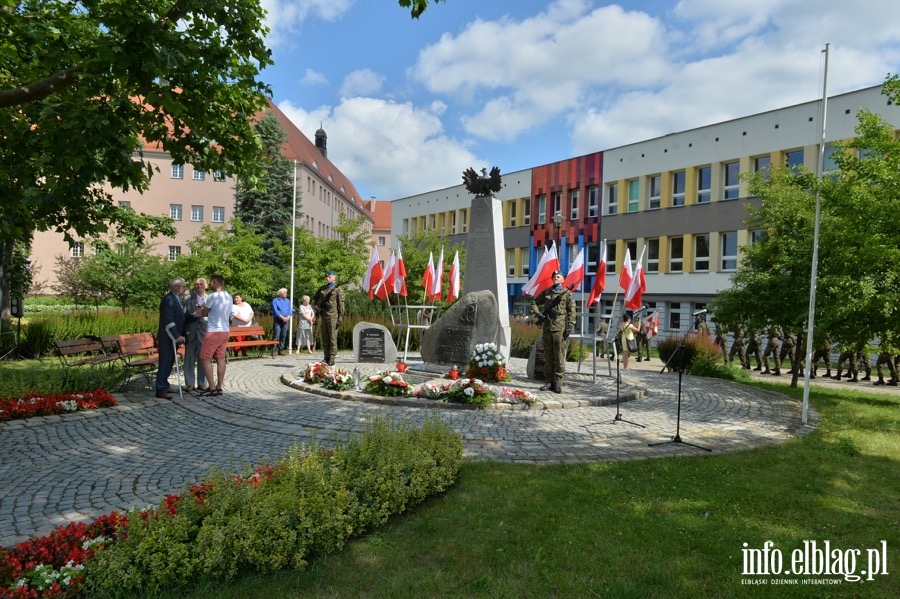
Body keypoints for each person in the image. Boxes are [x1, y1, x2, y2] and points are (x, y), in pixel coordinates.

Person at [530, 270, 576, 392]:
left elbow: (572, 312)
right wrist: (539, 315)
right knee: (548, 356)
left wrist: (569, 327)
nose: (555, 278)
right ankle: (549, 381)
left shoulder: (567, 294)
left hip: (559, 329)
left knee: (559, 356)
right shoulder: (546, 292)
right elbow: (534, 302)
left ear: (563, 280)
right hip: (547, 328)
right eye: (554, 276)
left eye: (558, 276)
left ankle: (558, 383)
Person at [198, 274, 232, 396]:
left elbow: (205, 313)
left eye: (211, 282)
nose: (209, 284)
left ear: (216, 282)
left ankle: (211, 387)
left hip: (213, 331)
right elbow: (219, 310)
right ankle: (219, 387)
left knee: (204, 358)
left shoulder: (213, 296)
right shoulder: (228, 296)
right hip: (225, 330)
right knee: (220, 358)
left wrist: (197, 312)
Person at [155, 277, 187, 399]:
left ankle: (165, 385)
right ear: (175, 287)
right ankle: (160, 389)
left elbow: (179, 317)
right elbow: (168, 320)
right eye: (183, 286)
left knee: (170, 362)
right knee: (165, 362)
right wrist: (177, 335)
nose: (185, 289)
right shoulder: (168, 299)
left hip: (172, 337)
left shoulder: (177, 299)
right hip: (167, 336)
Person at [181, 278, 208, 392]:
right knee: (189, 358)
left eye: (201, 284)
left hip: (204, 332)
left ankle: (202, 383)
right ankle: (189, 383)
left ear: (206, 286)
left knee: (203, 358)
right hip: (191, 331)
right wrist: (193, 315)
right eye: (196, 284)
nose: (199, 286)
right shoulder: (187, 298)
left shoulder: (210, 299)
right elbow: (183, 316)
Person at [313, 270, 345, 366]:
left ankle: (332, 357)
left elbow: (341, 306)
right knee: (325, 337)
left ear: (334, 277)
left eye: (330, 277)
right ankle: (326, 356)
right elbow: (316, 298)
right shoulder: (322, 288)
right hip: (324, 315)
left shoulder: (338, 289)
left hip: (333, 316)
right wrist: (317, 308)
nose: (327, 278)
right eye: (327, 277)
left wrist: (340, 318)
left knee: (332, 337)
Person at [230, 293, 254, 358]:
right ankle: (236, 353)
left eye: (237, 298)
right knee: (238, 340)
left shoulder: (246, 304)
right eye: (235, 298)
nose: (236, 299)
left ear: (241, 298)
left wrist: (249, 319)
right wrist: (244, 320)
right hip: (238, 327)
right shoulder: (233, 306)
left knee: (245, 340)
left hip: (247, 327)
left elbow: (251, 313)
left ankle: (244, 353)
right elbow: (235, 315)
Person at [271, 288, 292, 356]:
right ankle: (273, 350)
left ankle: (281, 350)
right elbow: (275, 310)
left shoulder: (287, 301)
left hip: (285, 320)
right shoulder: (275, 300)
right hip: (278, 320)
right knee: (276, 335)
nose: (286, 293)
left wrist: (288, 317)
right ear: (280, 293)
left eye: (286, 292)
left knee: (283, 335)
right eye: (285, 292)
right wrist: (282, 317)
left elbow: (290, 310)